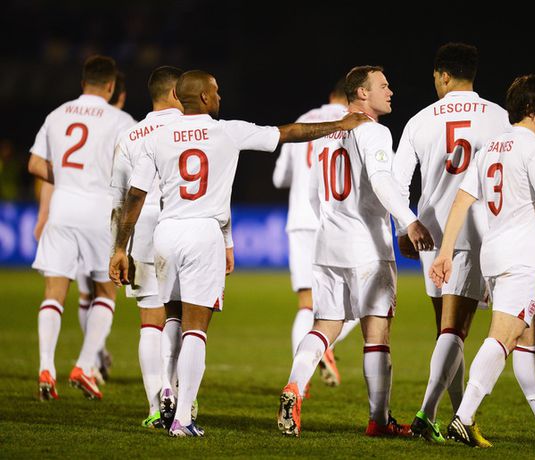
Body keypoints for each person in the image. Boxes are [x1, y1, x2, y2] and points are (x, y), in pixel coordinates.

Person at [109, 70, 370, 437]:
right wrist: (340, 124)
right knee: (196, 329)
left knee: (171, 318)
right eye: (215, 91)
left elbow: (135, 195)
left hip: (166, 233)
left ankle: (166, 390)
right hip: (203, 233)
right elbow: (289, 133)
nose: (220, 96)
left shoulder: (158, 135)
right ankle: (183, 418)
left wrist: (120, 247)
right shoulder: (226, 131)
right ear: (203, 97)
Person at [277, 65, 434, 438]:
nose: (390, 91)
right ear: (362, 93)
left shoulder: (327, 134)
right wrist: (409, 222)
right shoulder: (374, 131)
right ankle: (379, 420)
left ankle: (294, 386)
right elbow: (381, 181)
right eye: (383, 85)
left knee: (324, 325)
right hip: (367, 247)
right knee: (376, 334)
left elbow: (313, 194)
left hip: (327, 244)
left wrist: (334, 220)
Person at [429, 75, 535, 447]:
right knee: (503, 336)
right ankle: (463, 418)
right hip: (519, 257)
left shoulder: (491, 147)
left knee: (527, 334)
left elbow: (461, 201)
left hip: (494, 255)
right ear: (532, 108)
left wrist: (445, 252)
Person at [392, 42, 510, 443]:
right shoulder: (498, 117)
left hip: (431, 233)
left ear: (444, 75)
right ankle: (427, 414)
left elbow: (398, 182)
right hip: (476, 231)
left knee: (447, 331)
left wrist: (404, 227)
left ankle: (462, 418)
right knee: (455, 331)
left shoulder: (420, 120)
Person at [28, 55, 135, 401]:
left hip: (62, 209)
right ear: (110, 86)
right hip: (99, 211)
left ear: (82, 82)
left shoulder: (57, 114)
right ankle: (85, 366)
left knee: (53, 293)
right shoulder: (121, 121)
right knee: (106, 292)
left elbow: (34, 163)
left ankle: (46, 367)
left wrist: (67, 178)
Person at [272, 78, 361, 389]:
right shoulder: (355, 122)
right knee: (360, 301)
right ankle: (323, 346)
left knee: (306, 303)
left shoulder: (303, 120)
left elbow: (279, 178)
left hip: (300, 219)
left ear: (329, 95)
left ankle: (300, 379)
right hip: (337, 219)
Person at [110, 65, 184, 429]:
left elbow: (119, 199)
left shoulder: (130, 135)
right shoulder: (192, 128)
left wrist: (117, 249)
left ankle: (156, 405)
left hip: (141, 229)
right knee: (181, 317)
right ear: (174, 94)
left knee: (149, 321)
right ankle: (181, 398)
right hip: (182, 226)